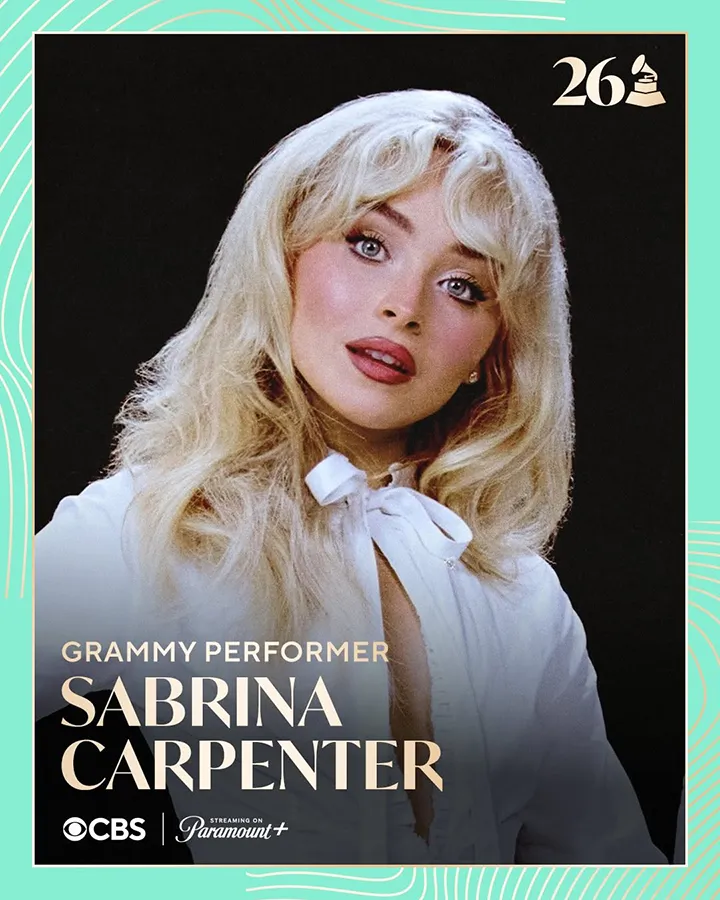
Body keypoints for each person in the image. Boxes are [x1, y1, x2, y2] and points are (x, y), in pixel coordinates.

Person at [35, 89, 666, 865]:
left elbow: (612, 867)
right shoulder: (147, 530)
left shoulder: (524, 598)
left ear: (491, 352)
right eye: (369, 243)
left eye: (463, 286)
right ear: (284, 256)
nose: (404, 307)